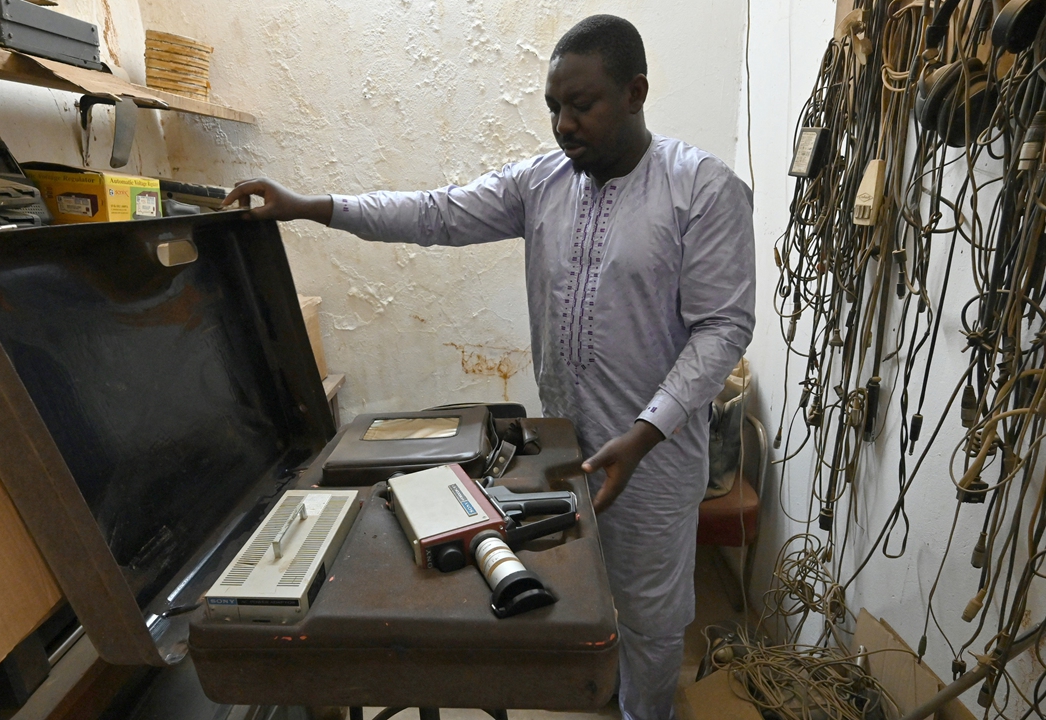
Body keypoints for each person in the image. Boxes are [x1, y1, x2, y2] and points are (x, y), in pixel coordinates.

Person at [223, 14, 755, 720]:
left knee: (653, 621)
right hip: (565, 446)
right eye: (553, 107)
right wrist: (311, 208)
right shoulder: (543, 183)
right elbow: (436, 214)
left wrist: (648, 429)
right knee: (586, 594)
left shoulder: (702, 190)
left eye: (582, 105)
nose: (563, 125)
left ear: (636, 93)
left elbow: (723, 328)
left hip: (652, 458)